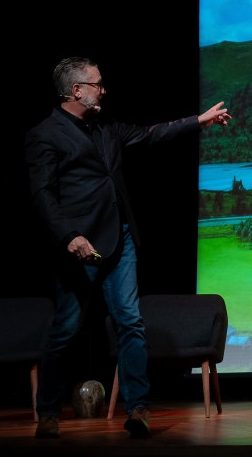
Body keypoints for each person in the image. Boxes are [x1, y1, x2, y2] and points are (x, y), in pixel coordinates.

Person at [24, 56, 231, 439]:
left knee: (131, 322)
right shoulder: (45, 134)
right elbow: (42, 196)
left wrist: (198, 121)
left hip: (119, 241)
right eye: (97, 83)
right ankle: (49, 412)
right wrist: (70, 237)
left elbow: (152, 134)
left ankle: (138, 409)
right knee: (66, 329)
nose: (103, 89)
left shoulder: (106, 128)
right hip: (78, 247)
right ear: (76, 90)